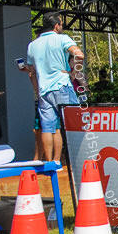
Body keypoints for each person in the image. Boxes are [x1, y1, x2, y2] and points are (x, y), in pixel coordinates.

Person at [25, 12, 83, 163]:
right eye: (62, 24)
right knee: (74, 123)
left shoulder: (32, 45)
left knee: (49, 128)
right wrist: (73, 73)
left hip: (44, 91)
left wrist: (38, 91)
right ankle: (76, 159)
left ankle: (51, 162)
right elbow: (79, 55)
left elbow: (31, 74)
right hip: (62, 86)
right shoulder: (62, 39)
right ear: (57, 25)